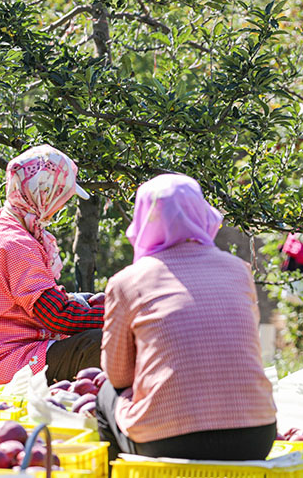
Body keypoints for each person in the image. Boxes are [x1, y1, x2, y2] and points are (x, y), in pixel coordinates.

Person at [96, 174, 276, 462]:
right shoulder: (238, 270)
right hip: (255, 436)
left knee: (107, 393)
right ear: (203, 214)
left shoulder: (127, 282)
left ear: (143, 220)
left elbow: (117, 375)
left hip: (168, 443)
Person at [0, 145, 103, 386]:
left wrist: (89, 301)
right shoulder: (15, 243)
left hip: (12, 349)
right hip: (9, 362)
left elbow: (37, 299)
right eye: (60, 196)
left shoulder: (3, 224)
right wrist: (116, 316)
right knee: (100, 344)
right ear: (43, 193)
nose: (60, 206)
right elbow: (57, 314)